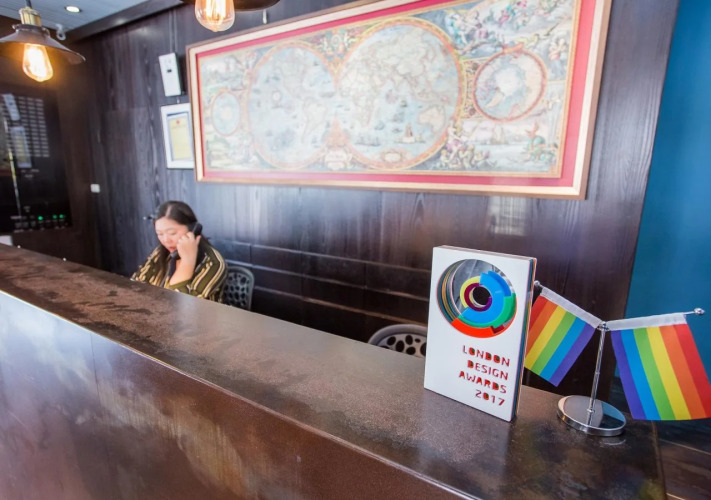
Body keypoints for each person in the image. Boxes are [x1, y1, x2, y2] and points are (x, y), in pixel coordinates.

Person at [132, 201, 227, 302]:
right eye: (160, 234)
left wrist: (187, 261)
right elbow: (135, 286)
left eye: (172, 233)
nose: (166, 240)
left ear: (193, 230)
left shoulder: (213, 263)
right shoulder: (161, 252)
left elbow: (178, 305)